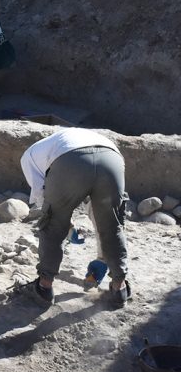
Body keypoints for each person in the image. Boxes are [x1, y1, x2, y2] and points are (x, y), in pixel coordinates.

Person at [16, 128, 131, 308]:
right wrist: (103, 259)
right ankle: (119, 287)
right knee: (112, 224)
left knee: (52, 224)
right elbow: (101, 215)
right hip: (112, 158)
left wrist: (65, 225)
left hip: (71, 161)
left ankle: (44, 287)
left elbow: (44, 200)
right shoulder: (61, 141)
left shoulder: (29, 157)